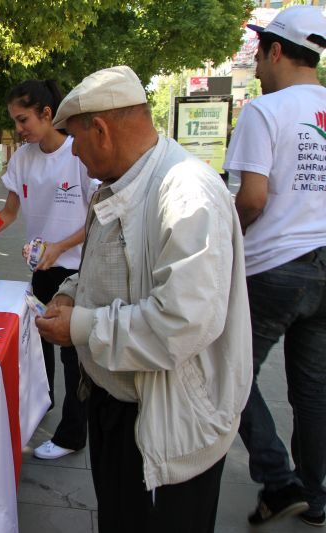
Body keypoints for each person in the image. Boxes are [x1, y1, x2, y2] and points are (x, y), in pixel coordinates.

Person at [35, 65, 252, 533]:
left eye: (75, 138)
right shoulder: (118, 184)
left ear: (101, 130)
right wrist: (70, 294)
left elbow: (179, 323)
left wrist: (78, 327)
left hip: (169, 421)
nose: (73, 151)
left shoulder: (186, 190)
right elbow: (99, 265)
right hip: (117, 404)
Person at [223, 6, 326, 527]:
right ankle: (315, 494)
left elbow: (254, 198)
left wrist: (227, 241)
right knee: (313, 389)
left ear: (276, 51)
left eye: (259, 55)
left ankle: (279, 480)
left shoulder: (266, 112)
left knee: (229, 370)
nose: (258, 67)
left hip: (276, 268)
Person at [0, 79, 96, 460]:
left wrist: (61, 246)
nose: (19, 129)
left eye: (23, 120)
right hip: (42, 270)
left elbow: (98, 215)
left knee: (73, 356)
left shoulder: (80, 152)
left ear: (47, 114)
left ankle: (73, 435)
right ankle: (42, 408)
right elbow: (6, 213)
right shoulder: (23, 158)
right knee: (37, 347)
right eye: (15, 121)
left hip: (75, 273)